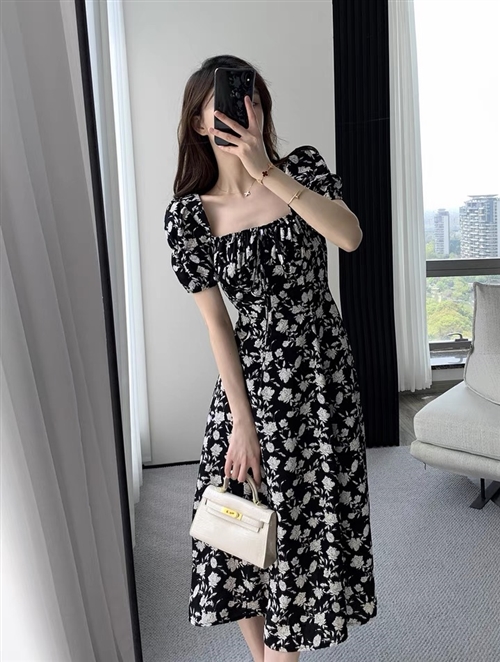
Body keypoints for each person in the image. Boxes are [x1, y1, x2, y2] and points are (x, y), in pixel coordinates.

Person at [164, 54, 377, 662]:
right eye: (227, 103)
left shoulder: (301, 168)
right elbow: (218, 326)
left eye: (251, 97)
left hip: (322, 381)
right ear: (200, 122)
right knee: (238, 536)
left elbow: (350, 236)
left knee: (305, 535)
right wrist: (242, 421)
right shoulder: (189, 217)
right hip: (253, 388)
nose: (243, 109)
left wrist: (267, 172)